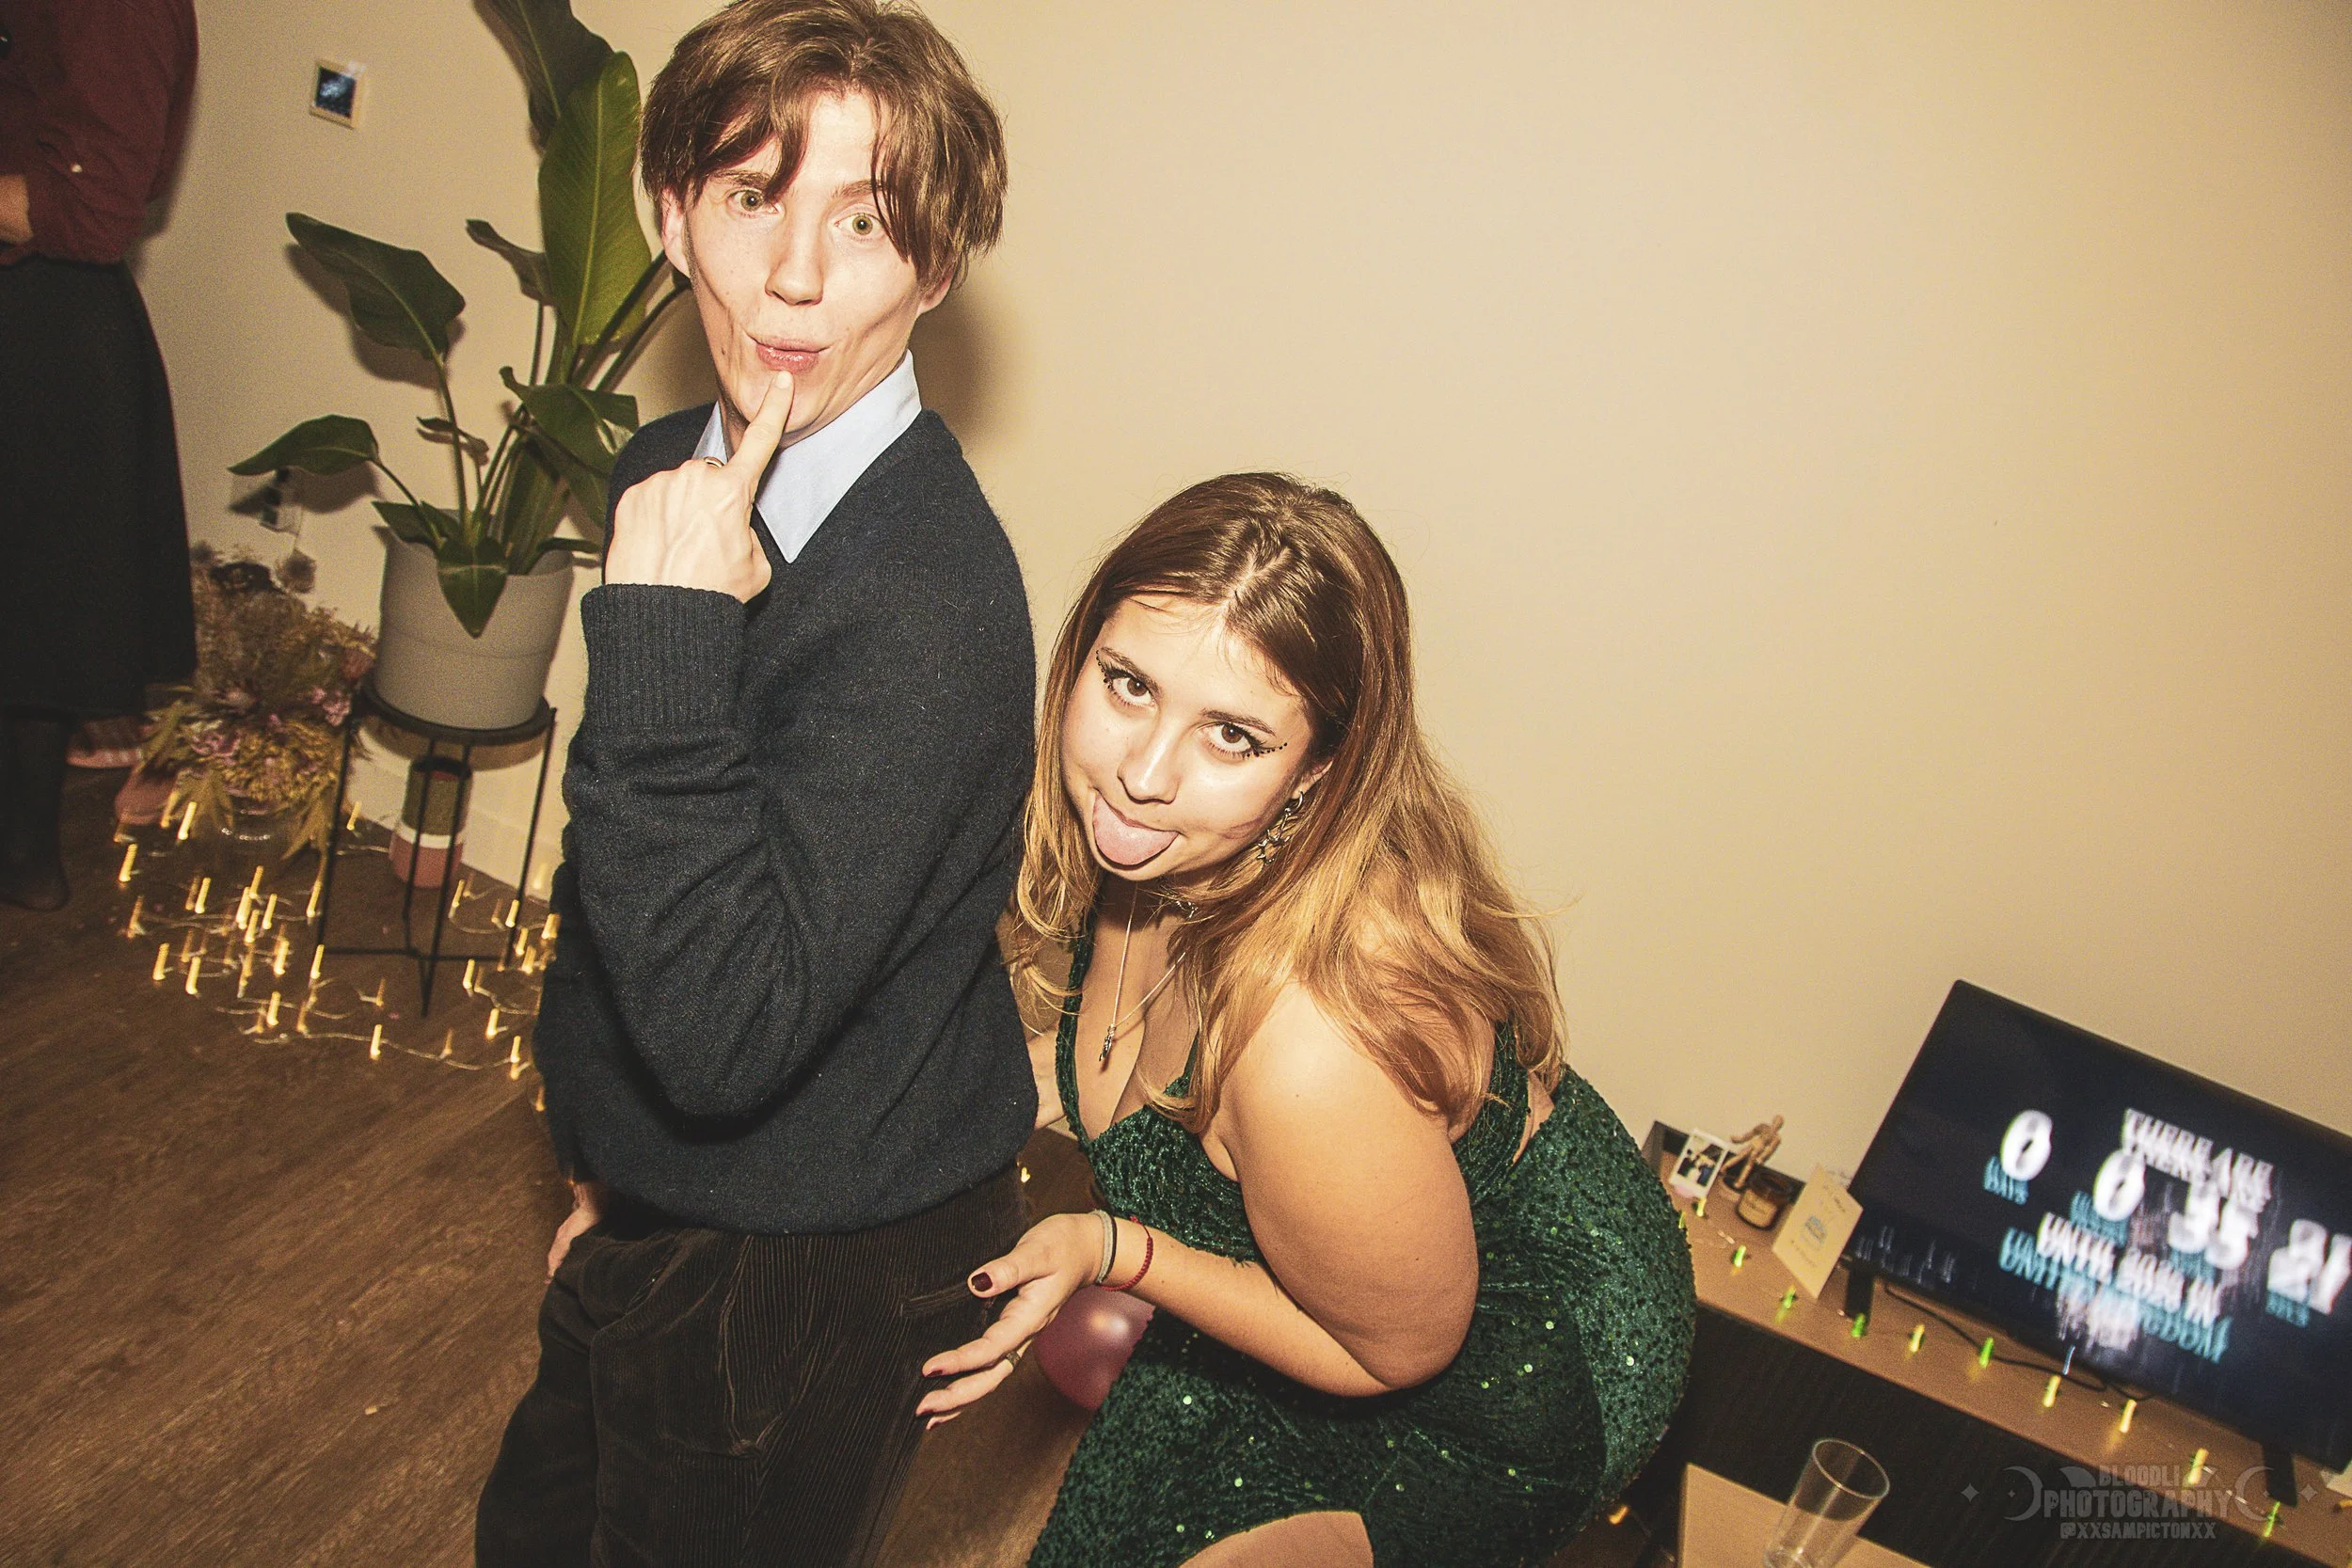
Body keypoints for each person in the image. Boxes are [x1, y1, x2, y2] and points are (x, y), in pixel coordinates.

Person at [473, 3, 1035, 1563]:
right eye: (749, 197)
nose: (796, 277)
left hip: (810, 1258)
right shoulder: (674, 462)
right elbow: (634, 860)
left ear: (938, 263)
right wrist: (612, 1167)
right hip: (673, 1201)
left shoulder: (930, 601)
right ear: (671, 212)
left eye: (866, 222)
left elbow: (728, 1031)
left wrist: (659, 641)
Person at [917, 475, 1696, 1567]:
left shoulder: (1309, 1043)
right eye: (1128, 683)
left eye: (1232, 735)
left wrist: (1113, 1244)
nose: (1141, 775)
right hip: (1344, 1233)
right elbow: (1080, 1054)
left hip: (1502, 1372)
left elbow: (1392, 1351)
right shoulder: (1156, 843)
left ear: (1316, 770)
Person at [0, 0, 199, 909]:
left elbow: (92, 206)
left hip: (43, 334)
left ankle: (23, 857)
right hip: (41, 325)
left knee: (36, 622)